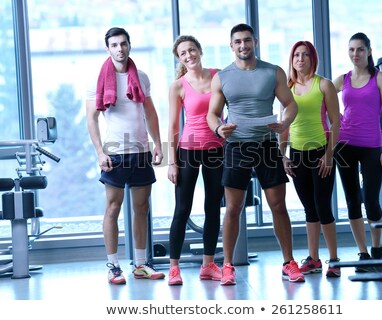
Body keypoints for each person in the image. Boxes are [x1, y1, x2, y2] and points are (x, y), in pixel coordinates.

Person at [207, 23, 304, 285]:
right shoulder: (222, 77)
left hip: (265, 144)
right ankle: (227, 266)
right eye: (237, 41)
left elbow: (290, 104)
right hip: (236, 145)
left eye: (247, 40)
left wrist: (285, 124)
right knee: (233, 209)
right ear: (231, 45)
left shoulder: (273, 72)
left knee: (278, 206)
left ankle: (288, 262)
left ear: (255, 42)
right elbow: (212, 113)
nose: (243, 45)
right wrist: (219, 128)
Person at [86, 27, 165, 284]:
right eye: (114, 45)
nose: (120, 49)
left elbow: (150, 113)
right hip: (115, 154)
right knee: (112, 208)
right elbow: (92, 119)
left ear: (129, 45)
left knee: (142, 208)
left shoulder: (140, 77)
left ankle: (141, 264)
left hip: (141, 151)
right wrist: (99, 152)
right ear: (108, 48)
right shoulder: (96, 79)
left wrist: (157, 144)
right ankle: (113, 266)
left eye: (123, 44)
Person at [279, 40, 341, 277]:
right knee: (309, 209)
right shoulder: (287, 88)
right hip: (296, 154)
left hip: (320, 153)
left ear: (312, 58)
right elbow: (284, 125)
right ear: (292, 60)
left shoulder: (323, 85)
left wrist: (329, 154)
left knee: (323, 206)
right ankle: (313, 259)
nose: (300, 59)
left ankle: (333, 260)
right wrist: (282, 155)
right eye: (296, 55)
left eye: (305, 55)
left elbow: (335, 122)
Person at [167, 35, 224, 286]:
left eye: (192, 50)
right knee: (182, 209)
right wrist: (171, 161)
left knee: (212, 207)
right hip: (188, 149)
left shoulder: (218, 76)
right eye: (183, 53)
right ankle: (174, 267)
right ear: (179, 58)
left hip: (216, 148)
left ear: (200, 51)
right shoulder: (178, 85)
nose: (189, 55)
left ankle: (208, 265)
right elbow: (172, 125)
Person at [333, 32, 382, 269]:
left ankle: (377, 246)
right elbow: (320, 98)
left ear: (369, 50)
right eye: (351, 50)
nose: (355, 54)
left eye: (359, 49)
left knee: (370, 199)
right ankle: (363, 252)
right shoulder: (343, 78)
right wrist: (334, 120)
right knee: (352, 201)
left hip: (372, 147)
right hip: (345, 145)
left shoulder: (380, 78)